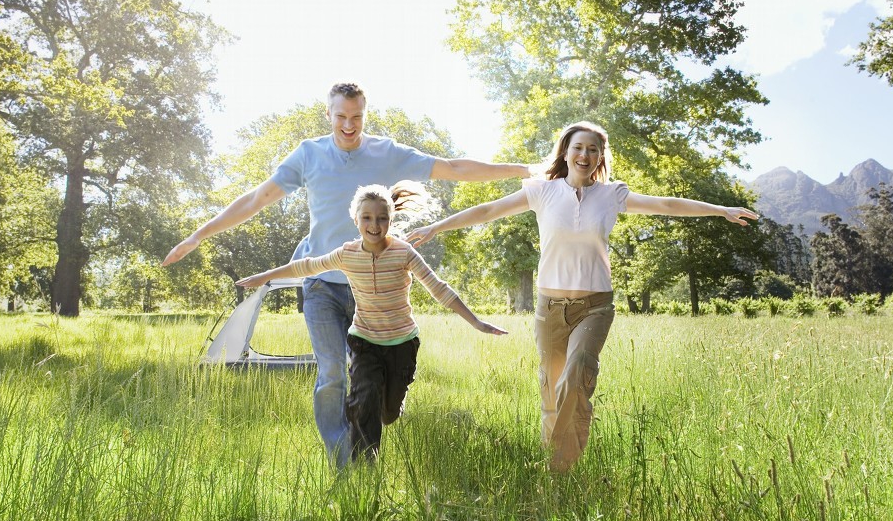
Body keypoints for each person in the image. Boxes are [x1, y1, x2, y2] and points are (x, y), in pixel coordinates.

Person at [162, 83, 529, 468]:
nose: (349, 125)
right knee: (333, 372)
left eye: (356, 117)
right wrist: (198, 235)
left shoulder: (387, 152)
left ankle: (364, 443)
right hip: (321, 286)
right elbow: (256, 199)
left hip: (367, 289)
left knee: (367, 380)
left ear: (364, 115)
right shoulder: (309, 154)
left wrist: (526, 170)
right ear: (329, 115)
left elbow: (454, 168)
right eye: (341, 117)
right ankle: (348, 463)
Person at [408, 121, 759, 472]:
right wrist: (435, 228)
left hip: (594, 306)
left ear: (600, 157)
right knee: (552, 390)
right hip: (550, 308)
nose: (585, 154)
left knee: (576, 378)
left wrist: (720, 209)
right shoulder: (541, 191)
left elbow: (667, 204)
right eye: (579, 147)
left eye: (593, 149)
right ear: (565, 151)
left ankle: (556, 468)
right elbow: (487, 210)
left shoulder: (612, 195)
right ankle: (560, 467)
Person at [237, 182, 506, 461]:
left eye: (381, 218)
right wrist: (265, 276)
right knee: (365, 399)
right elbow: (305, 265)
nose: (374, 225)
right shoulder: (347, 254)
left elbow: (439, 288)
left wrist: (476, 322)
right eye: (367, 217)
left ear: (390, 220)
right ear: (356, 220)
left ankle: (380, 407)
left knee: (387, 414)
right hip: (364, 341)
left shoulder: (404, 253)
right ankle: (365, 467)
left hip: (402, 343)